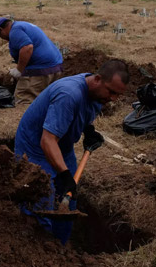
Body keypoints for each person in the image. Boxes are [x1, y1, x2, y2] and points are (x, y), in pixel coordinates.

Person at [14, 59, 130, 245]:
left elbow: (81, 114)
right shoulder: (68, 94)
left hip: (62, 147)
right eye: (111, 92)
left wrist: (88, 131)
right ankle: (37, 249)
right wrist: (65, 174)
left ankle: (60, 249)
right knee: (40, 202)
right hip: (35, 148)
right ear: (98, 79)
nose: (113, 99)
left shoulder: (98, 94)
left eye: (118, 95)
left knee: (68, 203)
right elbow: (47, 140)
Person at [0, 17, 63, 104]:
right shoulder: (23, 25)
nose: (2, 38)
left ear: (1, 29)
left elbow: (27, 47)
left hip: (40, 70)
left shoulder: (15, 30)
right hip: (55, 67)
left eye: (0, 36)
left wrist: (19, 70)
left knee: (23, 100)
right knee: (45, 101)